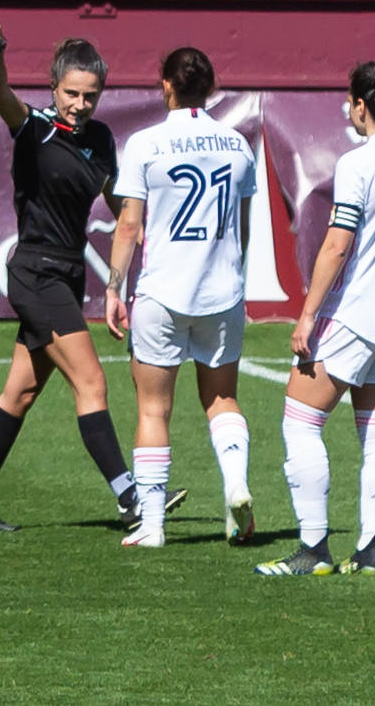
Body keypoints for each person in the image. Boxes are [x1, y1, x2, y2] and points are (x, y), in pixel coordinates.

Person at [0, 7, 186, 532]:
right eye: (71, 93)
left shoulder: (100, 139)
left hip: (66, 276)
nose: (80, 105)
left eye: (90, 95)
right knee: (92, 384)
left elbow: (121, 202)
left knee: (20, 393)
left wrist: (147, 227)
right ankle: (131, 499)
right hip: (37, 275)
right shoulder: (33, 128)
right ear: (54, 87)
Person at [254, 56, 375, 575]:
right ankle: (371, 550)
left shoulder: (358, 163)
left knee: (300, 421)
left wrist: (307, 316)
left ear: (361, 105)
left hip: (355, 313)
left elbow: (336, 245)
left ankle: (312, 550)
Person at [106, 47, 257, 548]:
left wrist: (112, 287)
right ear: (210, 87)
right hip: (221, 292)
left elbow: (129, 224)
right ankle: (235, 482)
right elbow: (244, 227)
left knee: (153, 410)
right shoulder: (238, 144)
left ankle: (151, 525)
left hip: (162, 292)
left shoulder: (146, 142)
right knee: (221, 397)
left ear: (165, 84)